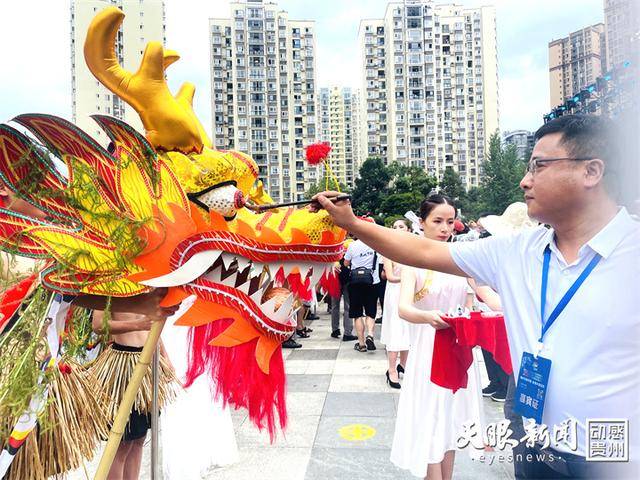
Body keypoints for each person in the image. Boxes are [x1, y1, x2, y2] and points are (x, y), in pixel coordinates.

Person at [312, 115, 640, 478]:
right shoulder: (517, 251)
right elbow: (419, 253)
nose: (525, 180)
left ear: (591, 171)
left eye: (539, 166)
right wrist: (353, 223)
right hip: (534, 444)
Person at [390, 194, 483, 480]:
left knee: (451, 422)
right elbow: (403, 308)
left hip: (459, 349)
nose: (445, 228)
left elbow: (481, 295)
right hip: (428, 351)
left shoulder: (461, 258)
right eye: (437, 221)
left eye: (450, 221)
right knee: (430, 420)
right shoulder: (413, 261)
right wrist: (429, 318)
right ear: (422, 223)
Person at [161, 303, 238, 478]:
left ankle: (202, 451)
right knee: (180, 392)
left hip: (198, 321)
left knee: (202, 388)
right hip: (173, 323)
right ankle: (184, 462)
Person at [380, 219, 411, 389]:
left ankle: (404, 366)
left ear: (408, 229)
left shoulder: (413, 249)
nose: (398, 229)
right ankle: (391, 370)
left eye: (401, 226)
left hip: (411, 293)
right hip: (395, 293)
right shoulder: (388, 251)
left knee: (409, 331)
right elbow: (390, 276)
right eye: (395, 227)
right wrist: (409, 278)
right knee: (396, 331)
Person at [344, 224, 380, 352]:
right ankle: (370, 334)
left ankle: (361, 344)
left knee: (357, 313)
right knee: (371, 312)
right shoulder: (375, 244)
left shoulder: (352, 246)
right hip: (372, 282)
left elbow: (346, 263)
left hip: (355, 283)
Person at [330, 243, 357, 341]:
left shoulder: (335, 243)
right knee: (348, 306)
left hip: (335, 276)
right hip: (347, 277)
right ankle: (347, 333)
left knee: (335, 306)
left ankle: (335, 329)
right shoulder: (351, 244)